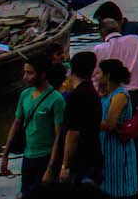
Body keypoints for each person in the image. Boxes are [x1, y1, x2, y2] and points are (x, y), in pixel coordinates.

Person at [1, 57, 64, 196]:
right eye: (25, 72)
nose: (25, 77)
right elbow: (16, 124)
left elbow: (59, 137)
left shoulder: (56, 99)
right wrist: (5, 156)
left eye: (30, 73)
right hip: (28, 157)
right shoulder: (25, 95)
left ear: (42, 74)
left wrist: (50, 168)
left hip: (46, 158)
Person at [49, 51, 103, 188]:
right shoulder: (92, 92)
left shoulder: (75, 97)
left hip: (80, 162)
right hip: (93, 155)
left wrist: (65, 165)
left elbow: (73, 133)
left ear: (72, 70)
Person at [95, 60, 138, 199]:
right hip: (106, 148)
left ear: (107, 76)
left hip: (118, 149)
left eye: (99, 73)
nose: (96, 76)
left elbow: (110, 124)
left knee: (120, 187)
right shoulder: (106, 95)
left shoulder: (119, 96)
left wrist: (87, 121)